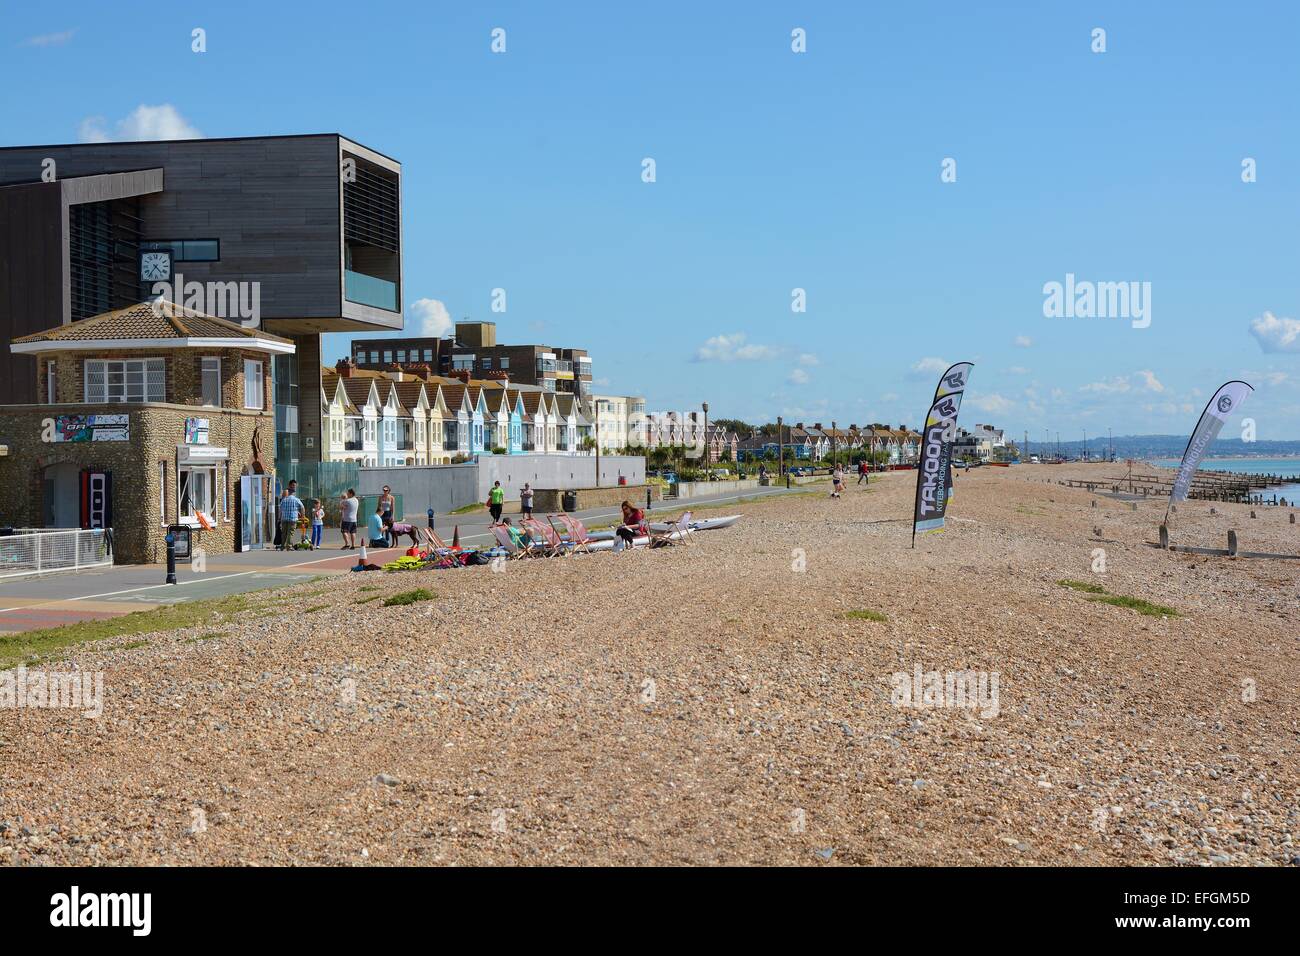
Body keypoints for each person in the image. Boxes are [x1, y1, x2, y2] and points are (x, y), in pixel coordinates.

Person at [278, 485, 304, 550]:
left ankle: (282, 546)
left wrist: (279, 518)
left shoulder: (284, 500)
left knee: (284, 533)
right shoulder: (296, 500)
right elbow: (302, 507)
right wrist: (303, 516)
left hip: (284, 518)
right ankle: (288, 546)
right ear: (293, 492)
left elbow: (280, 509)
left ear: (288, 492)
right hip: (293, 519)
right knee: (290, 532)